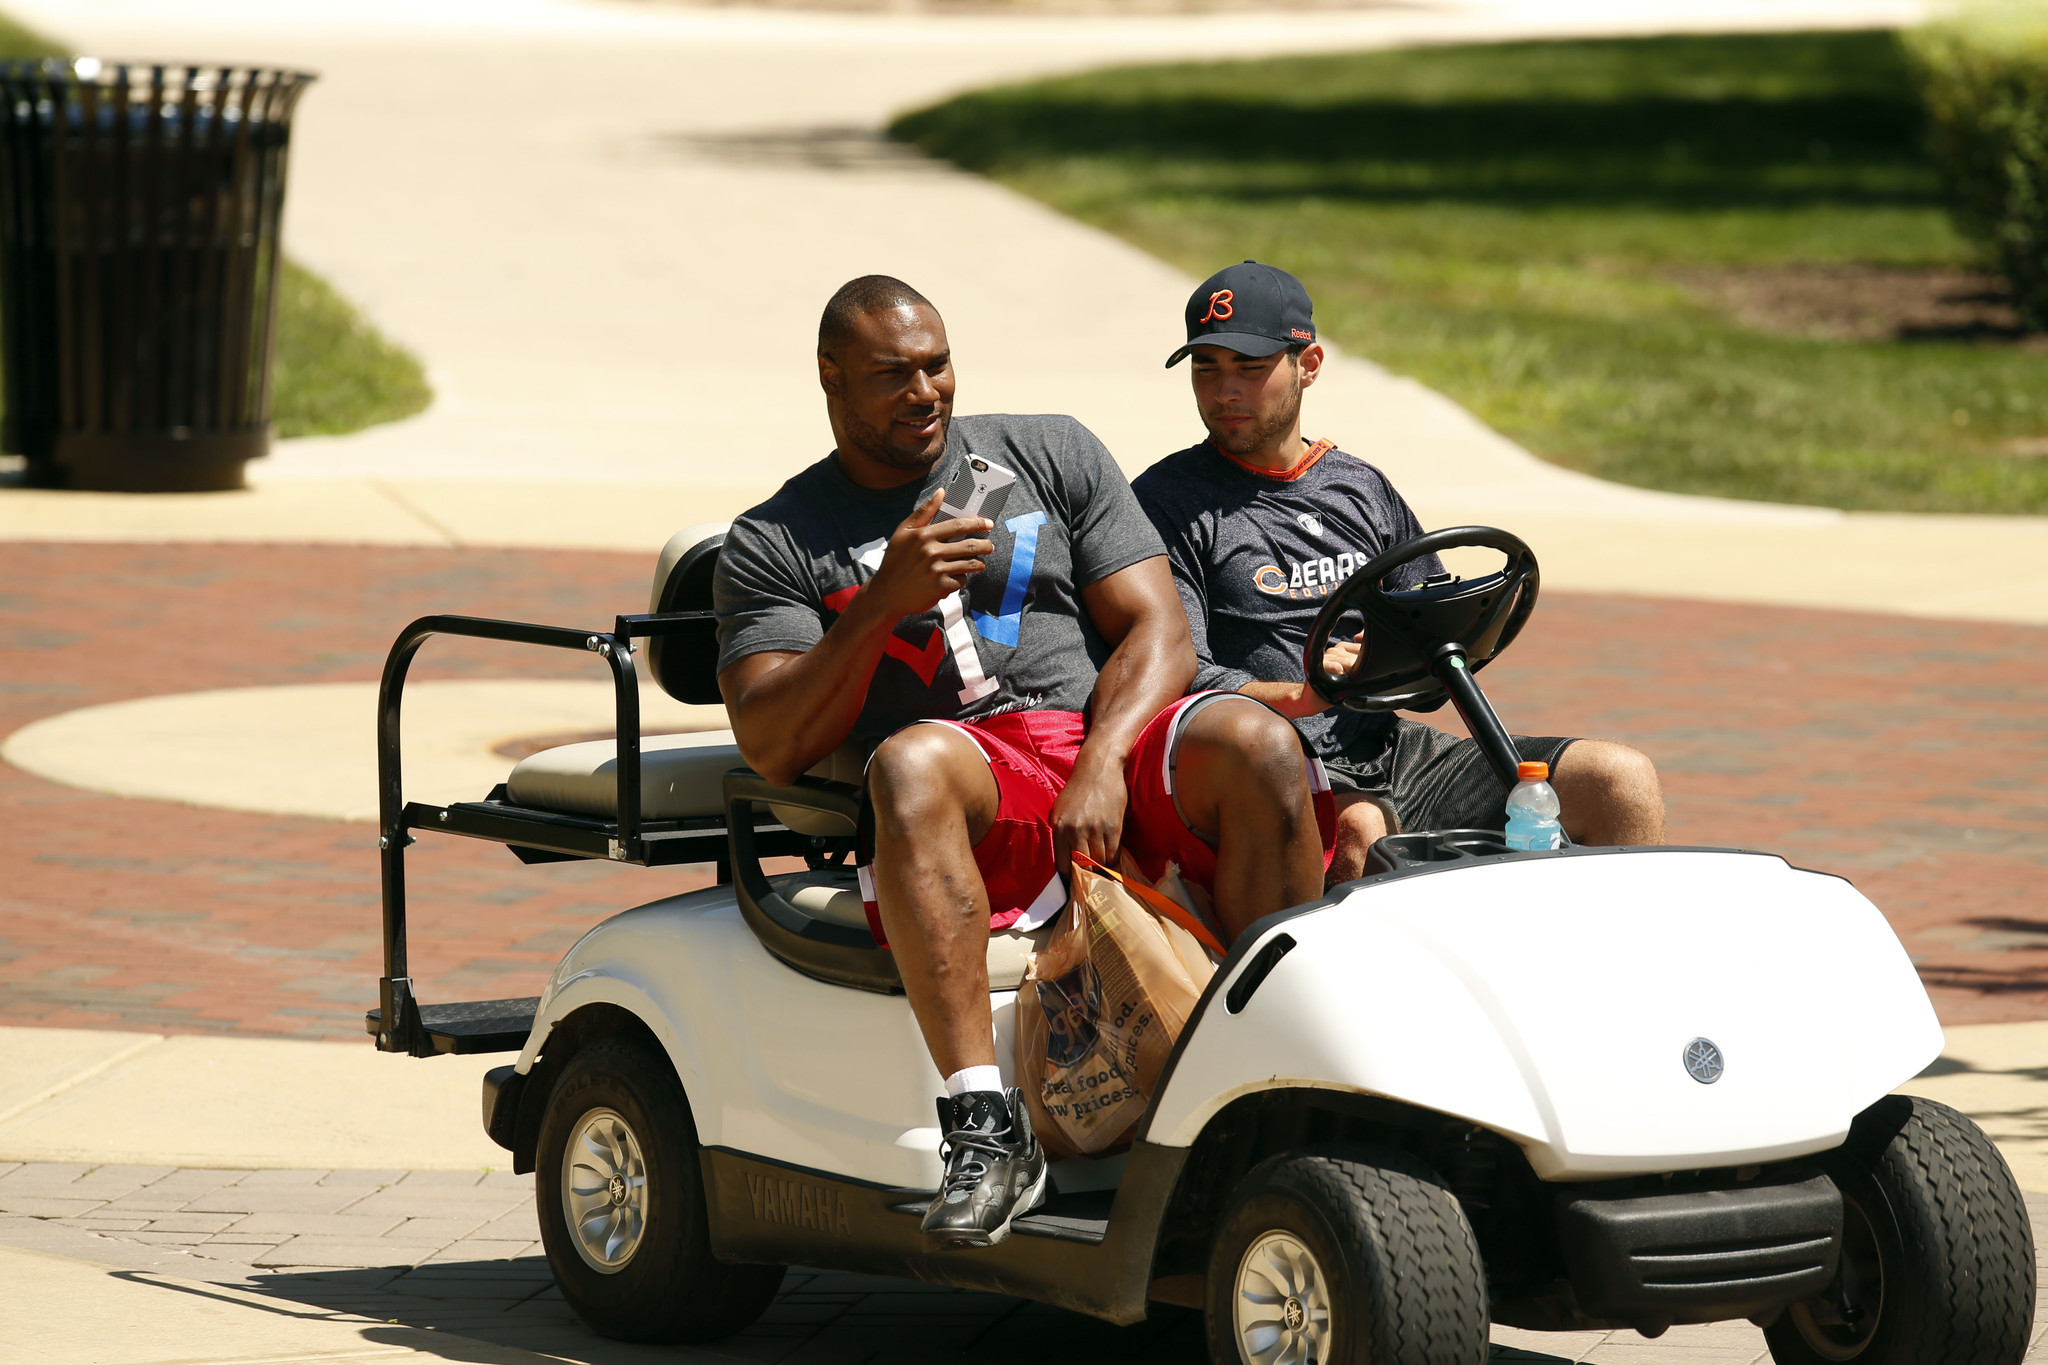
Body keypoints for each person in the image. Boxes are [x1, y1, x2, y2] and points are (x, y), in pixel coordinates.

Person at [713, 275, 1331, 1250]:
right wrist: (880, 602)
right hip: (972, 783)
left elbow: (1159, 632)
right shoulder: (773, 541)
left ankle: (1295, 1090)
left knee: (1257, 742)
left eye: (936, 365)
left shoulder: (1046, 450)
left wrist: (1102, 759)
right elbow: (772, 741)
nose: (924, 393)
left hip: (1096, 743)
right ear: (830, 378)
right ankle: (984, 1131)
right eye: (891, 376)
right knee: (910, 762)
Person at [1133, 261, 1666, 884]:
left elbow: (1428, 634)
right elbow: (1177, 668)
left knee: (1620, 780)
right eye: (1207, 368)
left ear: (1309, 365)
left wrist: (1431, 638)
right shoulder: (1166, 502)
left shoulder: (1359, 487)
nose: (1224, 392)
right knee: (1363, 835)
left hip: (1391, 750)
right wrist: (1303, 692)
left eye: (1250, 369)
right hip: (1275, 766)